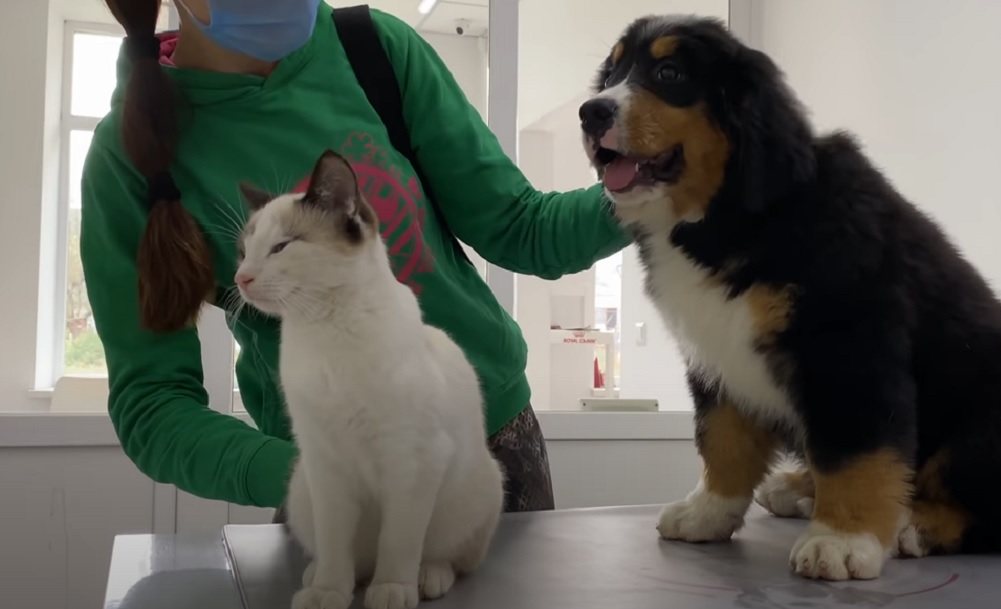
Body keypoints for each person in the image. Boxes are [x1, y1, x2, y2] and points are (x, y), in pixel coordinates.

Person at [80, 0, 627, 516]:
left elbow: (520, 226)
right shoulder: (129, 156)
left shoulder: (371, 50)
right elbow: (153, 403)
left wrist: (658, 189)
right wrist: (305, 476)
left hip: (492, 438)